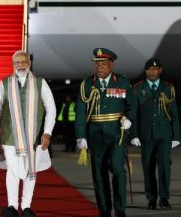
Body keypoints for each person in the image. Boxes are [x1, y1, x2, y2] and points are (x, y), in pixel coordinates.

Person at [0, 50, 56, 217]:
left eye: (23, 62)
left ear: (29, 63)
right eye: (16, 63)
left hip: (33, 139)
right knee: (12, 171)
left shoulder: (40, 83)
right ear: (12, 65)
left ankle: (26, 207)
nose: (19, 65)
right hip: (10, 138)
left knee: (30, 172)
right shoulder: (5, 83)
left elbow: (51, 109)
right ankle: (12, 206)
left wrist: (47, 133)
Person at [75, 48, 136, 217]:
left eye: (103, 63)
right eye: (97, 63)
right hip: (95, 134)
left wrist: (129, 119)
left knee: (117, 169)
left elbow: (132, 105)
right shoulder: (87, 84)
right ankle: (104, 210)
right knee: (99, 173)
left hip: (117, 132)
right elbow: (81, 111)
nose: (100, 66)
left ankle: (120, 209)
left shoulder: (122, 82)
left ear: (111, 64)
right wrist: (81, 135)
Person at [131, 58, 180, 210]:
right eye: (149, 69)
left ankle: (164, 198)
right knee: (148, 167)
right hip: (146, 135)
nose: (152, 72)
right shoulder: (137, 88)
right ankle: (151, 198)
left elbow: (174, 114)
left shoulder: (168, 88)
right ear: (146, 71)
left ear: (160, 70)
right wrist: (134, 134)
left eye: (155, 69)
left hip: (164, 135)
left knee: (165, 166)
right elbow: (134, 114)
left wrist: (176, 136)